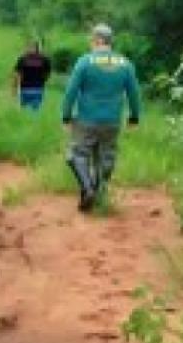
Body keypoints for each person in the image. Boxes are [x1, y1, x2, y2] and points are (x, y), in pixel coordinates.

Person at [60, 24, 141, 212]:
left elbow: (71, 91)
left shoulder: (85, 62)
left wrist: (66, 115)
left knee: (76, 154)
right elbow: (134, 93)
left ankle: (87, 189)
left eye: (91, 39)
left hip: (87, 118)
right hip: (112, 120)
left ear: (97, 40)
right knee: (106, 157)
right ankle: (98, 194)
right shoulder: (125, 64)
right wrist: (134, 116)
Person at [12, 40, 52, 111]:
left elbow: (16, 74)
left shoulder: (23, 59)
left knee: (25, 112)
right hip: (36, 89)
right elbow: (48, 73)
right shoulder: (44, 59)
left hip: (27, 89)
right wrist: (43, 81)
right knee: (35, 112)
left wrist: (14, 88)